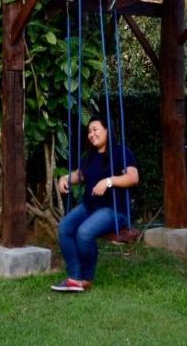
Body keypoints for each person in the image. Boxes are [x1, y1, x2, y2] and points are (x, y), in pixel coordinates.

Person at [50, 115, 139, 293]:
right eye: (89, 131)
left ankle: (86, 279)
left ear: (107, 130)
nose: (91, 134)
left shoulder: (122, 152)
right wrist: (65, 178)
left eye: (95, 129)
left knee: (84, 232)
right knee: (65, 228)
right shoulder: (90, 156)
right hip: (90, 206)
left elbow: (133, 177)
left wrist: (108, 181)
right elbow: (80, 175)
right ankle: (74, 277)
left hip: (114, 210)